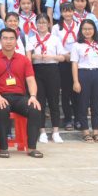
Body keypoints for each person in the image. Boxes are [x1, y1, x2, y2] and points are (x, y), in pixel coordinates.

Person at [0, 28, 43, 157]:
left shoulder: (24, 60)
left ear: (16, 41)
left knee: (35, 109)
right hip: (0, 96)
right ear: (0, 41)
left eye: (11, 38)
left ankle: (31, 147)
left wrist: (33, 96)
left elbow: (31, 80)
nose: (8, 41)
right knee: (2, 108)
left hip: (19, 97)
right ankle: (3, 148)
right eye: (5, 38)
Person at [28, 13, 67, 144]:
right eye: (39, 22)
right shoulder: (31, 39)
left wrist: (51, 57)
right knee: (40, 101)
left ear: (49, 24)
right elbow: (28, 55)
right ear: (36, 24)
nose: (42, 25)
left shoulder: (55, 39)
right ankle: (42, 131)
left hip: (52, 70)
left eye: (44, 22)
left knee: (54, 101)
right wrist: (36, 56)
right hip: (37, 70)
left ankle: (55, 131)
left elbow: (62, 57)